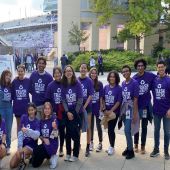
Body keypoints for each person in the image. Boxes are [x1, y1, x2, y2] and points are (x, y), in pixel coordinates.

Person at [133, 59, 156, 154]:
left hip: (146, 106)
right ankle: (136, 145)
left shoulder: (150, 75)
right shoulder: (134, 78)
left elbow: (159, 78)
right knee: (136, 126)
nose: (140, 67)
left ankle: (143, 146)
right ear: (136, 67)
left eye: (142, 65)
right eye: (138, 66)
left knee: (144, 126)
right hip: (137, 106)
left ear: (144, 66)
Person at [61, 65, 83, 162]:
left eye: (70, 71)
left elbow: (80, 99)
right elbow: (63, 100)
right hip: (67, 112)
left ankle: (75, 155)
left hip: (76, 112)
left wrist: (74, 113)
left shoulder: (77, 84)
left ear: (73, 72)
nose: (68, 72)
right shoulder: (63, 84)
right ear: (64, 73)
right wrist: (67, 112)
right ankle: (68, 153)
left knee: (76, 134)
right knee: (68, 134)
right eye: (66, 71)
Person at [10, 103, 40, 169]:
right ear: (27, 111)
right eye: (29, 110)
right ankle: (26, 157)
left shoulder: (37, 121)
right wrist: (20, 146)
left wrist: (27, 130)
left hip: (31, 145)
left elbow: (36, 135)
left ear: (35, 110)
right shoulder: (24, 117)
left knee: (20, 154)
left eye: (32, 110)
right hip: (23, 144)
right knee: (12, 165)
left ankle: (23, 161)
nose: (31, 112)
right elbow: (20, 133)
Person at [150, 60, 170, 160]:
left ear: (165, 67)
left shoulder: (169, 80)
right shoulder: (154, 80)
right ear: (156, 68)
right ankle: (156, 149)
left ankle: (166, 151)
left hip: (167, 112)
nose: (161, 69)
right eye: (159, 67)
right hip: (156, 111)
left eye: (162, 67)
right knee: (156, 131)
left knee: (167, 132)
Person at [45, 66, 65, 157]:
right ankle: (54, 148)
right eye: (55, 73)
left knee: (62, 130)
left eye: (58, 73)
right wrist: (50, 112)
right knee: (54, 131)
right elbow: (47, 99)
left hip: (63, 112)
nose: (57, 74)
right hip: (54, 113)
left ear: (61, 74)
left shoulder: (65, 84)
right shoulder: (50, 85)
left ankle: (61, 148)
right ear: (53, 75)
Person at [32, 102, 58, 168]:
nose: (47, 110)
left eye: (48, 109)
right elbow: (39, 134)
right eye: (45, 109)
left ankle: (53, 156)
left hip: (52, 144)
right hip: (45, 144)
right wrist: (43, 139)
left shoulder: (54, 119)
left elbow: (56, 135)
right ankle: (48, 156)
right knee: (35, 156)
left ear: (51, 110)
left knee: (35, 164)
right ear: (43, 110)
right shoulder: (41, 121)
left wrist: (55, 128)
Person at [121, 65, 139, 159]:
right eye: (123, 71)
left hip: (131, 109)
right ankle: (128, 147)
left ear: (130, 72)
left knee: (127, 130)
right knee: (126, 130)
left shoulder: (135, 83)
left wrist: (135, 114)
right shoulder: (123, 83)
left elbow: (136, 99)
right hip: (124, 109)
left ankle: (131, 151)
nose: (125, 73)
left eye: (127, 71)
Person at [102, 71, 122, 155]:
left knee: (110, 129)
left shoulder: (119, 88)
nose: (112, 78)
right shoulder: (106, 87)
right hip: (106, 112)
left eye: (113, 77)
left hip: (114, 113)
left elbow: (118, 101)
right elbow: (102, 98)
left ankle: (112, 147)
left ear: (116, 78)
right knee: (108, 129)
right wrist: (104, 109)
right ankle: (111, 146)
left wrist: (111, 111)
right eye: (110, 76)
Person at [78, 63, 94, 157]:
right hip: (78, 107)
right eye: (82, 67)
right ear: (79, 69)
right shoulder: (76, 80)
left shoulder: (89, 81)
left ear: (87, 70)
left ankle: (88, 146)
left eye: (85, 68)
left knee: (88, 127)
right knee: (79, 127)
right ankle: (78, 144)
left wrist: (84, 106)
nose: (83, 69)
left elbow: (90, 95)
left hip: (87, 107)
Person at [12, 65, 30, 135]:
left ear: (24, 72)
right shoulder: (14, 81)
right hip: (17, 108)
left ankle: (26, 142)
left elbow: (31, 91)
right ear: (17, 72)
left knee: (26, 125)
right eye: (19, 71)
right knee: (19, 125)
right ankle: (19, 143)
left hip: (26, 108)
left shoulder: (28, 81)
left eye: (22, 71)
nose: (20, 73)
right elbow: (12, 94)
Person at [89, 67, 103, 152]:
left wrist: (101, 107)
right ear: (90, 74)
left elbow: (101, 97)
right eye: (92, 73)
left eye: (95, 73)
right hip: (90, 107)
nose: (93, 74)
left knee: (98, 126)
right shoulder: (88, 83)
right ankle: (91, 142)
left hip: (97, 107)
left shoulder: (99, 84)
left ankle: (100, 143)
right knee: (90, 126)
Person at [0, 70, 13, 155]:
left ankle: (8, 146)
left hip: (8, 109)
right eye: (6, 75)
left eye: (9, 76)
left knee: (8, 129)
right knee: (1, 129)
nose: (8, 77)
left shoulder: (11, 86)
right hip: (0, 109)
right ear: (3, 76)